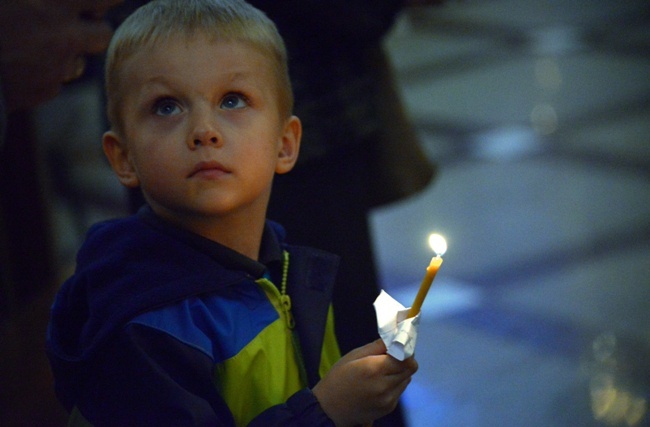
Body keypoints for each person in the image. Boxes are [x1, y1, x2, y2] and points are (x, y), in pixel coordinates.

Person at [46, 0, 418, 425]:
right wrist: (327, 412)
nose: (204, 130)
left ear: (285, 143)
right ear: (123, 156)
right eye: (166, 106)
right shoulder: (144, 328)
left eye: (232, 100)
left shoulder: (290, 270)